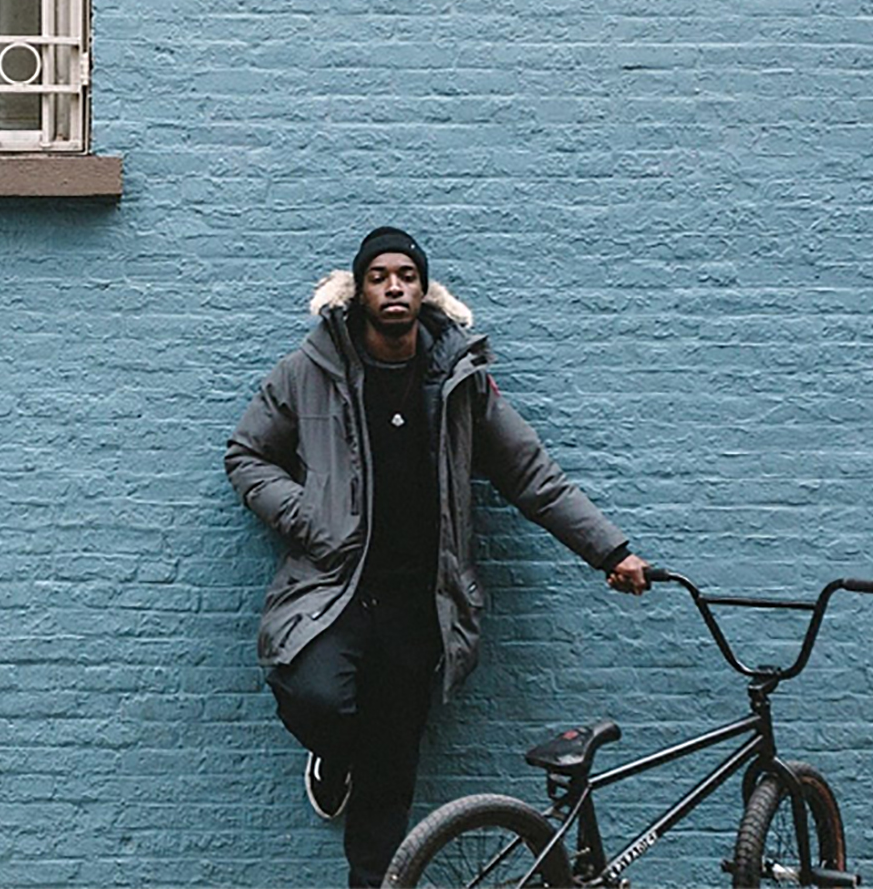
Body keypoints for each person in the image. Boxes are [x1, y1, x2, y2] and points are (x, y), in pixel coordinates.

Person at [224, 226, 652, 887]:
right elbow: (246, 454)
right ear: (359, 292)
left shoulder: (460, 380)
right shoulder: (310, 371)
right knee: (313, 694)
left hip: (422, 604)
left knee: (391, 775)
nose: (393, 286)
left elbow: (533, 476)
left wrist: (610, 550)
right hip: (335, 590)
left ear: (424, 291)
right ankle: (334, 755)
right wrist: (309, 517)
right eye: (378, 277)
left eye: (406, 276)